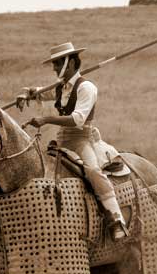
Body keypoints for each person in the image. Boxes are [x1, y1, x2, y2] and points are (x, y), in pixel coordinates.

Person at [17, 42, 128, 240]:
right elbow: (40, 92)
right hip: (61, 139)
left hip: (82, 139)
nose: (55, 68)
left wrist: (46, 119)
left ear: (70, 63)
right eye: (54, 64)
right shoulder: (61, 87)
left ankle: (116, 219)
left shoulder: (87, 87)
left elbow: (77, 119)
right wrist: (27, 93)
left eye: (58, 63)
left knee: (93, 170)